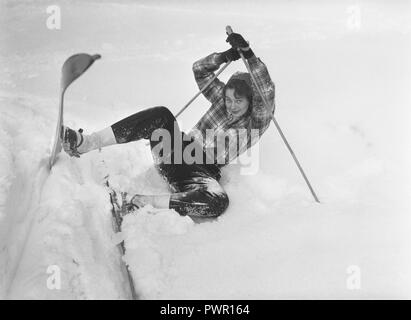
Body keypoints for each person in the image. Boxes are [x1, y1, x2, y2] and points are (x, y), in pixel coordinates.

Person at [62, 32, 275, 220]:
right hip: (175, 152)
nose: (231, 106)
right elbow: (199, 70)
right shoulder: (220, 100)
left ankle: (142, 202)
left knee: (218, 201)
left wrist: (249, 54)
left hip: (199, 173)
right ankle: (86, 143)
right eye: (229, 99)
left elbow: (265, 89)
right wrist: (223, 57)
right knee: (162, 115)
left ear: (251, 102)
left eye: (239, 101)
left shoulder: (255, 121)